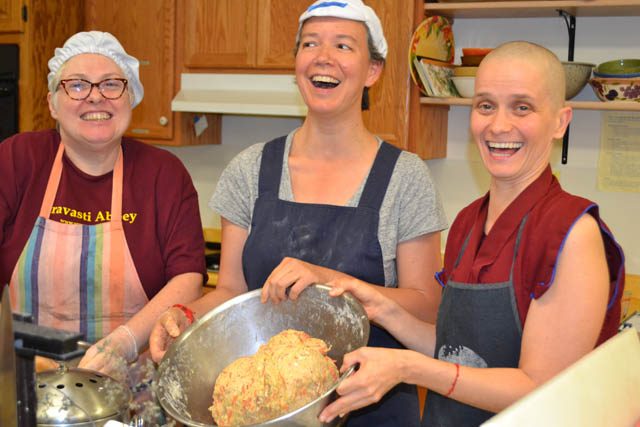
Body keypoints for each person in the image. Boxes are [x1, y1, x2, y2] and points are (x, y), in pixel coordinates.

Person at [149, 1, 447, 425]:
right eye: (311, 44)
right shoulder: (251, 169)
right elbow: (231, 290)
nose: (323, 57)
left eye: (343, 45)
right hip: (268, 411)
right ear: (297, 64)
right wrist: (186, 315)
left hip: (372, 406)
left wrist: (333, 281)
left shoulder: (404, 177)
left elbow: (426, 308)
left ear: (372, 71)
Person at [316, 41, 625, 426]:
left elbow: (540, 388)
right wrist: (383, 310)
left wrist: (409, 368)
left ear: (560, 121)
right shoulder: (467, 222)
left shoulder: (571, 233)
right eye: (485, 105)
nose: (499, 125)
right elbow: (457, 353)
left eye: (522, 107)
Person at [0, 31, 206, 377]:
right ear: (52, 102)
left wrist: (123, 342)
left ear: (130, 99)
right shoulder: (18, 159)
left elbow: (188, 279)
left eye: (111, 85)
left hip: (132, 389)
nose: (96, 98)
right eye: (77, 85)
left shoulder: (163, 174)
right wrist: (11, 350)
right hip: (24, 381)